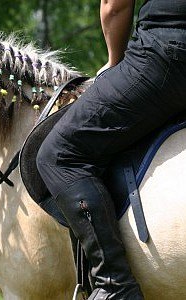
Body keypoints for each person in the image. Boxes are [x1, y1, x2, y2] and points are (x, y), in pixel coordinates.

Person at [36, 0, 186, 299]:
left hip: (170, 54)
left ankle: (115, 286)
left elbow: (114, 6)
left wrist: (115, 60)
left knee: (58, 155)